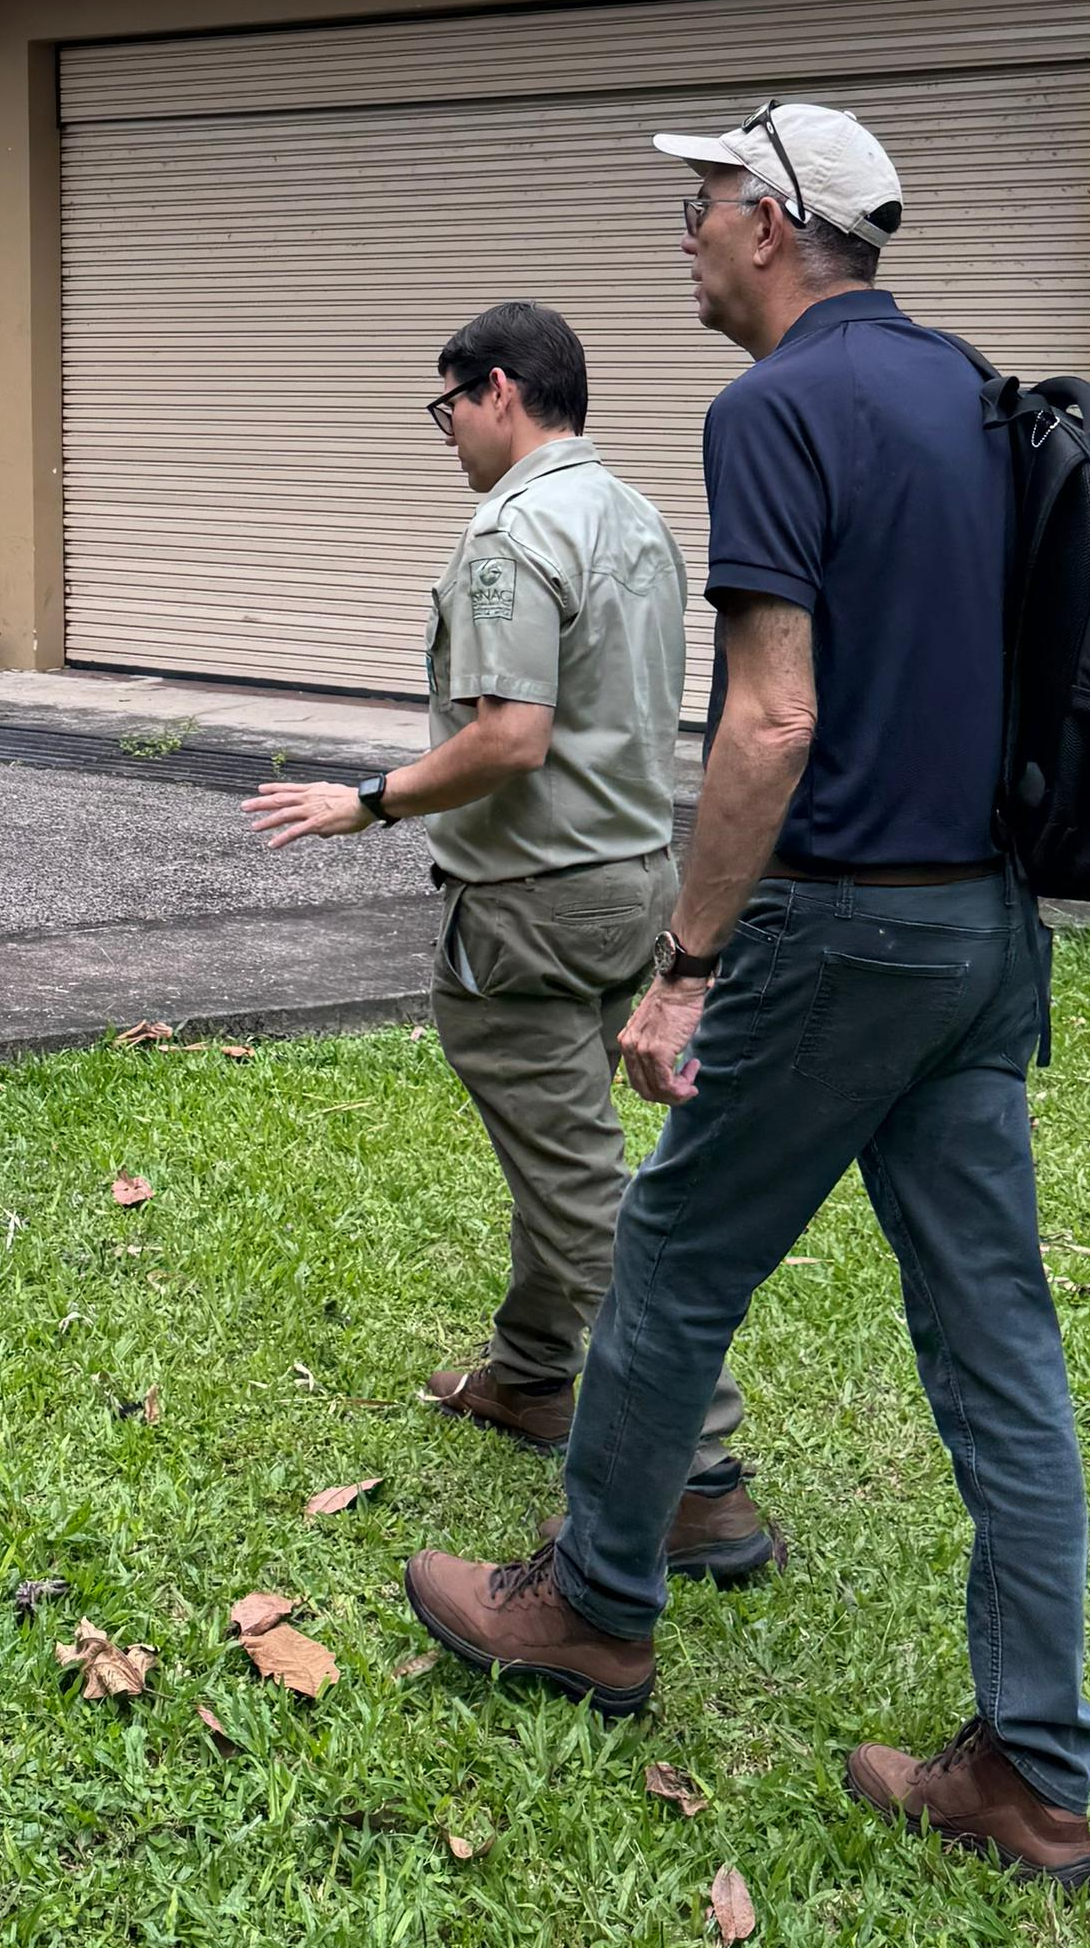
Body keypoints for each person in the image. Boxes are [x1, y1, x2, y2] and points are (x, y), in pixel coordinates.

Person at [399, 101, 1090, 1893]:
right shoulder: (971, 393)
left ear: (777, 224)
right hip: (983, 932)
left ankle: (591, 1607)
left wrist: (689, 968)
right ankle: (1035, 1771)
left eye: (705, 201)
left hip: (842, 921)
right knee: (1003, 1347)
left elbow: (774, 719)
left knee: (669, 1259)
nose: (688, 231)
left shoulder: (776, 409)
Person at [243, 297, 779, 1589]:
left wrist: (368, 799)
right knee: (563, 1151)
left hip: (530, 904)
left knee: (579, 1179)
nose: (446, 437)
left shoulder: (512, 531)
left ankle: (699, 1478)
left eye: (447, 409)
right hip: (632, 883)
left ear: (497, 390)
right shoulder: (635, 519)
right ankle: (535, 1378)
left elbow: (510, 736)